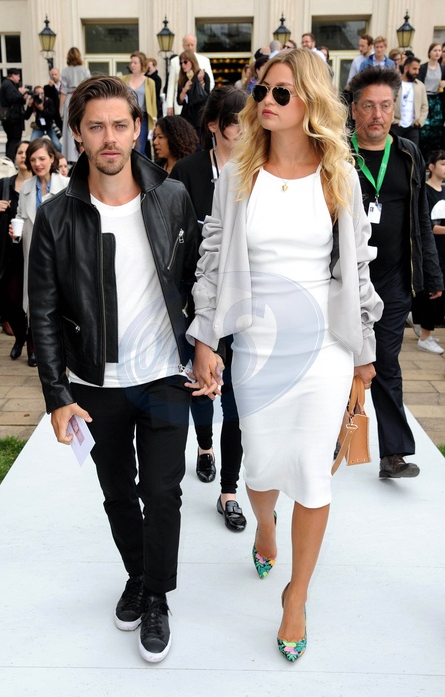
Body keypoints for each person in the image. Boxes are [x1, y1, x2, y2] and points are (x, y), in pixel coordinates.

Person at [187, 49, 382, 660]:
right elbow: (212, 258)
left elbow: (357, 266)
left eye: (280, 93)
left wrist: (363, 351)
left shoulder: (338, 175)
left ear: (311, 103)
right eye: (261, 91)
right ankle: (265, 524)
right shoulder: (238, 175)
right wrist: (205, 337)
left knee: (312, 472)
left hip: (324, 346)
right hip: (258, 345)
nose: (265, 102)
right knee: (261, 469)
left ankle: (296, 596)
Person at [28, 75, 199, 664]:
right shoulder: (55, 215)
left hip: (163, 374)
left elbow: (195, 279)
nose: (109, 138)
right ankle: (139, 575)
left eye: (120, 125)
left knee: (163, 491)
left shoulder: (172, 196)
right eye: (96, 126)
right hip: (94, 382)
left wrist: (205, 345)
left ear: (137, 130)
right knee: (118, 492)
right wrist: (56, 394)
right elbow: (43, 312)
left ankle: (157, 596)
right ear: (77, 134)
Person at [349, 67, 443, 478]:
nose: (377, 114)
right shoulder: (338, 153)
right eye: (369, 105)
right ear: (354, 110)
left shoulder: (407, 152)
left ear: (395, 109)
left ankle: (394, 454)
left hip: (393, 278)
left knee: (386, 360)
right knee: (338, 360)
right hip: (344, 278)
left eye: (385, 106)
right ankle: (327, 438)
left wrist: (431, 275)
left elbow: (420, 216)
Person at [171, 86, 248, 532]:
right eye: (236, 121)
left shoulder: (257, 169)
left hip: (240, 295)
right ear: (215, 126)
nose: (244, 128)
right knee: (202, 379)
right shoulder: (188, 170)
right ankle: (204, 447)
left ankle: (229, 491)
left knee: (235, 391)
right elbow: (176, 233)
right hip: (196, 292)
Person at [10, 138, 69, 367]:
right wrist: (15, 234)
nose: (37, 163)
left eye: (42, 158)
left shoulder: (66, 185)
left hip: (59, 255)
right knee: (34, 302)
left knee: (59, 302)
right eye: (33, 159)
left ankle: (62, 349)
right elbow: (20, 217)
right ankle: (33, 348)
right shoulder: (26, 187)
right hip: (33, 256)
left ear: (52, 158)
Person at [0, 141, 32, 357]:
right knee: (11, 301)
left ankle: (32, 346)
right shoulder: (4, 184)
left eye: (27, 153)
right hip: (8, 252)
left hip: (32, 251)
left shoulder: (38, 186)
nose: (23, 156)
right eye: (19, 152)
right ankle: (20, 337)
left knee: (34, 300)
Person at [410, 150, 445, 352]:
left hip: (442, 251)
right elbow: (425, 225)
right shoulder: (425, 192)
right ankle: (425, 336)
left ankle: (426, 330)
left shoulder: (443, 191)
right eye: (442, 164)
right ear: (431, 167)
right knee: (431, 292)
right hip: (431, 253)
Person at [166, 34, 214, 116]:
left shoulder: (204, 60)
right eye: (187, 45)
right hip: (182, 107)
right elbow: (171, 85)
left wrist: (201, 86)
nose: (190, 47)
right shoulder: (175, 61)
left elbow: (210, 83)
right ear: (183, 45)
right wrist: (169, 105)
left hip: (199, 107)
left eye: (192, 45)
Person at [122, 51, 157, 158]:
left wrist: (154, 122)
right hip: (126, 115)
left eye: (135, 63)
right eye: (131, 62)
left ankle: (141, 167)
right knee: (127, 146)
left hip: (142, 117)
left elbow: (153, 103)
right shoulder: (123, 79)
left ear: (142, 64)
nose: (132, 65)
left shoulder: (149, 82)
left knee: (139, 148)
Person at [60, 47, 90, 163]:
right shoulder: (85, 70)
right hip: (82, 98)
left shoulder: (64, 71)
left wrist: (60, 108)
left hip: (70, 99)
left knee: (69, 128)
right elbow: (89, 86)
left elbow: (63, 91)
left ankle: (71, 158)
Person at [392, 56, 428, 146]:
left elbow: (424, 106)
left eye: (418, 69)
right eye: (414, 69)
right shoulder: (394, 84)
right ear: (406, 68)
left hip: (413, 127)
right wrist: (393, 120)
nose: (417, 72)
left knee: (413, 151)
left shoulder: (420, 86)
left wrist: (420, 122)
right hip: (396, 125)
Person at [418, 43, 445, 158]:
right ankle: (423, 155)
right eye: (435, 50)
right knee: (425, 128)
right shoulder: (423, 68)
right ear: (429, 52)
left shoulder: (442, 68)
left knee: (437, 128)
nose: (437, 53)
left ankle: (434, 156)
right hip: (426, 98)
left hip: (437, 99)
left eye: (439, 50)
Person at [177, 50, 210, 135]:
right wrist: (184, 90)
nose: (183, 65)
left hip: (198, 117)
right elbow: (179, 101)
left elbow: (205, 96)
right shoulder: (182, 79)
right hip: (185, 116)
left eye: (185, 62)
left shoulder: (202, 75)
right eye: (181, 63)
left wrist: (199, 82)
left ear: (192, 61)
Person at [0, 68, 29, 162]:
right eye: (18, 76)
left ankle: (9, 160)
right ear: (13, 75)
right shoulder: (8, 84)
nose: (19, 78)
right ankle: (10, 160)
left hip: (12, 118)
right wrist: (20, 93)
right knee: (14, 140)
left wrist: (23, 98)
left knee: (12, 140)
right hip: (12, 119)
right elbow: (11, 98)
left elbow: (17, 101)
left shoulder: (9, 85)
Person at [24, 85, 62, 152]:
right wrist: (29, 106)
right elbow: (26, 117)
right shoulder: (33, 102)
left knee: (57, 144)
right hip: (39, 127)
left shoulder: (48, 101)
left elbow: (53, 115)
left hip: (49, 126)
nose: (41, 95)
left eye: (42, 93)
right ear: (35, 94)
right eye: (39, 93)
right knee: (32, 143)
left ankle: (62, 157)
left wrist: (42, 109)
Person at [44, 67, 63, 131]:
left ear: (59, 75)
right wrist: (51, 87)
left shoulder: (64, 85)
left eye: (55, 74)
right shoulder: (47, 87)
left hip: (63, 110)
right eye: (52, 75)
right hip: (55, 112)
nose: (54, 76)